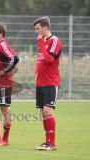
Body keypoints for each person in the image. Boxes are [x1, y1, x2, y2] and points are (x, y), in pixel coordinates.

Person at [33, 16, 62, 151]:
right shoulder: (42, 42)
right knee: (43, 112)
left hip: (51, 82)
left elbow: (49, 59)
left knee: (47, 110)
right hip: (40, 82)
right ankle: (47, 142)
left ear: (45, 28)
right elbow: (40, 60)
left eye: (37, 29)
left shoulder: (54, 41)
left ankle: (52, 143)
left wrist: (41, 44)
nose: (36, 32)